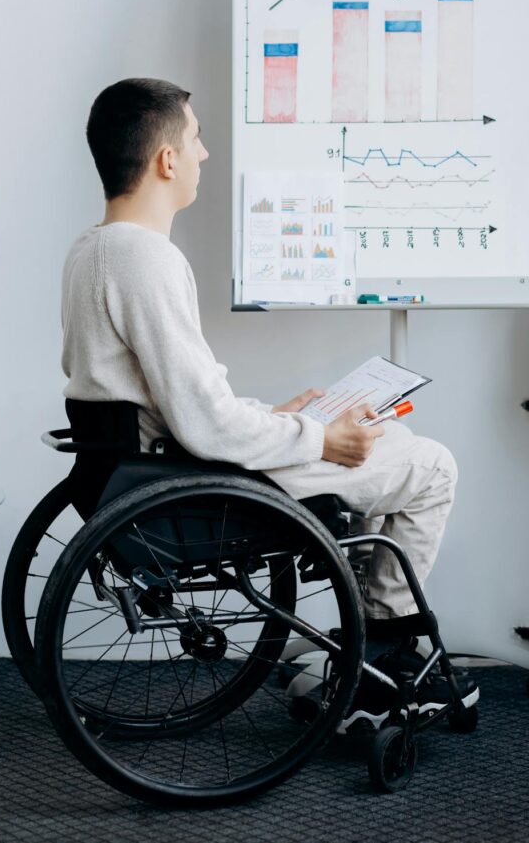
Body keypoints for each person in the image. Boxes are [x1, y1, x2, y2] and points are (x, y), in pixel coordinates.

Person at [61, 77, 476, 719]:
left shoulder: (91, 249)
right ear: (165, 160)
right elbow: (203, 422)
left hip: (138, 465)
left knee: (386, 441)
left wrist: (278, 416)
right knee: (431, 467)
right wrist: (319, 437)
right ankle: (387, 650)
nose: (203, 155)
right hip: (187, 479)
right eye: (196, 141)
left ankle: (370, 642)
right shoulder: (146, 259)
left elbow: (174, 399)